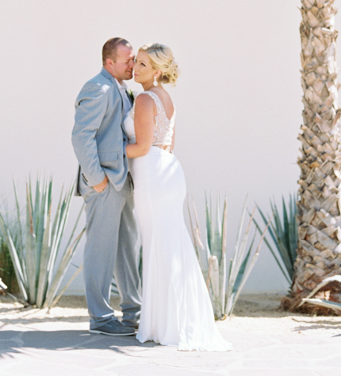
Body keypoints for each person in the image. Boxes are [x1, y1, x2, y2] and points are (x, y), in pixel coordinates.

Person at [125, 43, 231, 351]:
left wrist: (110, 152)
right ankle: (170, 322)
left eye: (143, 65)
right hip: (167, 171)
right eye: (136, 63)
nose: (136, 69)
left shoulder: (145, 98)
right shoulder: (165, 98)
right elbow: (167, 143)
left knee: (160, 245)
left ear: (157, 71)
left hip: (153, 174)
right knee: (169, 245)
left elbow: (142, 147)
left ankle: (166, 326)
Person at [71, 37, 141, 336]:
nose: (132, 64)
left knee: (127, 245)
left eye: (133, 59)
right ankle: (100, 318)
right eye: (127, 60)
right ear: (108, 63)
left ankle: (133, 311)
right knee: (100, 250)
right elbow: (81, 136)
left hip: (121, 181)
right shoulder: (97, 88)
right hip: (104, 183)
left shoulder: (122, 89)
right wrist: (97, 178)